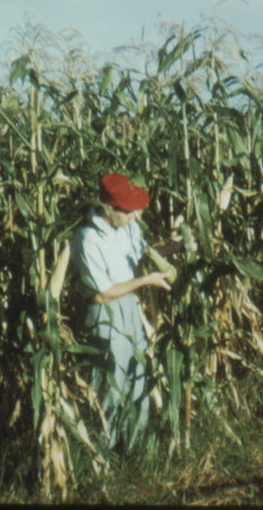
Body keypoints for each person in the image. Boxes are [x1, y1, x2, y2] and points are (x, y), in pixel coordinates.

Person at [71, 173, 172, 453]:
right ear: (107, 210)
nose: (134, 218)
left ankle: (134, 451)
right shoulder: (87, 238)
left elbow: (142, 254)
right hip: (103, 313)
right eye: (128, 213)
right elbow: (101, 292)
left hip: (129, 306)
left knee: (137, 376)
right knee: (109, 386)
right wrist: (146, 281)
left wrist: (178, 245)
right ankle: (103, 455)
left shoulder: (127, 226)